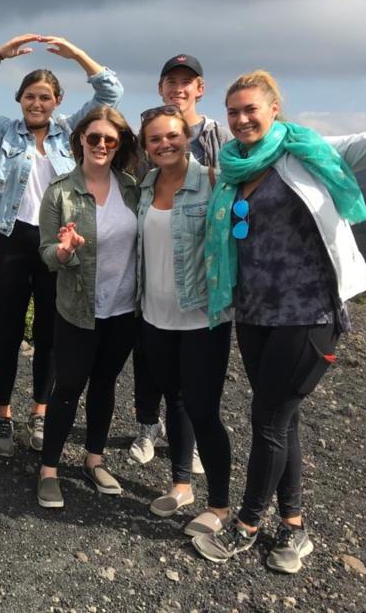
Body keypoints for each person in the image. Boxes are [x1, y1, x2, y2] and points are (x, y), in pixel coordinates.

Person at [192, 71, 366, 573]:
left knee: (268, 419)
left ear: (274, 109)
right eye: (234, 111)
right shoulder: (231, 167)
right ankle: (294, 528)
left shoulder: (308, 151)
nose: (242, 119)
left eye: (251, 109)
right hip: (253, 314)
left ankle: (245, 527)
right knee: (279, 415)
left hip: (309, 314)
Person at [0, 35, 123, 458]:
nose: (37, 103)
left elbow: (110, 92)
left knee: (49, 335)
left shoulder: (70, 132)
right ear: (20, 100)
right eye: (30, 96)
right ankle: (3, 413)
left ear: (57, 100)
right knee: (8, 334)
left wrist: (76, 52)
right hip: (12, 240)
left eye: (45, 97)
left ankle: (40, 412)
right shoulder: (1, 131)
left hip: (56, 242)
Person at [130, 54, 232, 466]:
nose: (164, 144)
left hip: (200, 308)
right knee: (167, 387)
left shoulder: (213, 171)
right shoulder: (145, 184)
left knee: (197, 399)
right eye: (155, 140)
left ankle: (193, 457)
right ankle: (165, 447)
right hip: (152, 308)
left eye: (186, 81)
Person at [35, 107, 140, 508]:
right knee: (68, 388)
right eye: (93, 137)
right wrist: (63, 252)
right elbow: (46, 253)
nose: (100, 145)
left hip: (123, 309)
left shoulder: (131, 188)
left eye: (109, 140)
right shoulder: (60, 191)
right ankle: (48, 470)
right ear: (80, 139)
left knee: (105, 385)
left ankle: (94, 460)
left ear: (118, 146)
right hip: (78, 309)